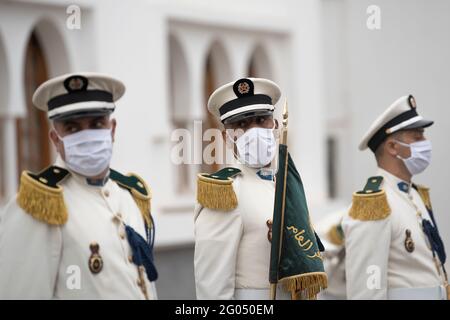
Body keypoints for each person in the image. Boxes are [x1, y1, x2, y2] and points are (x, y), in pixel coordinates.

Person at [0, 72, 158, 299]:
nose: (87, 136)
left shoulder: (129, 195)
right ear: (55, 139)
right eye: (73, 128)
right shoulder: (40, 204)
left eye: (97, 124)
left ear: (112, 130)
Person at [193, 77, 295, 300]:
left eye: (261, 120)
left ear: (275, 126)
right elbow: (213, 290)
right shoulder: (225, 193)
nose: (254, 131)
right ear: (226, 138)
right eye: (242, 125)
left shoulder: (286, 185)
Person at [342, 95, 448, 300]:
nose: (425, 143)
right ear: (392, 147)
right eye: (417, 137)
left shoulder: (414, 195)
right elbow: (366, 292)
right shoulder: (375, 204)